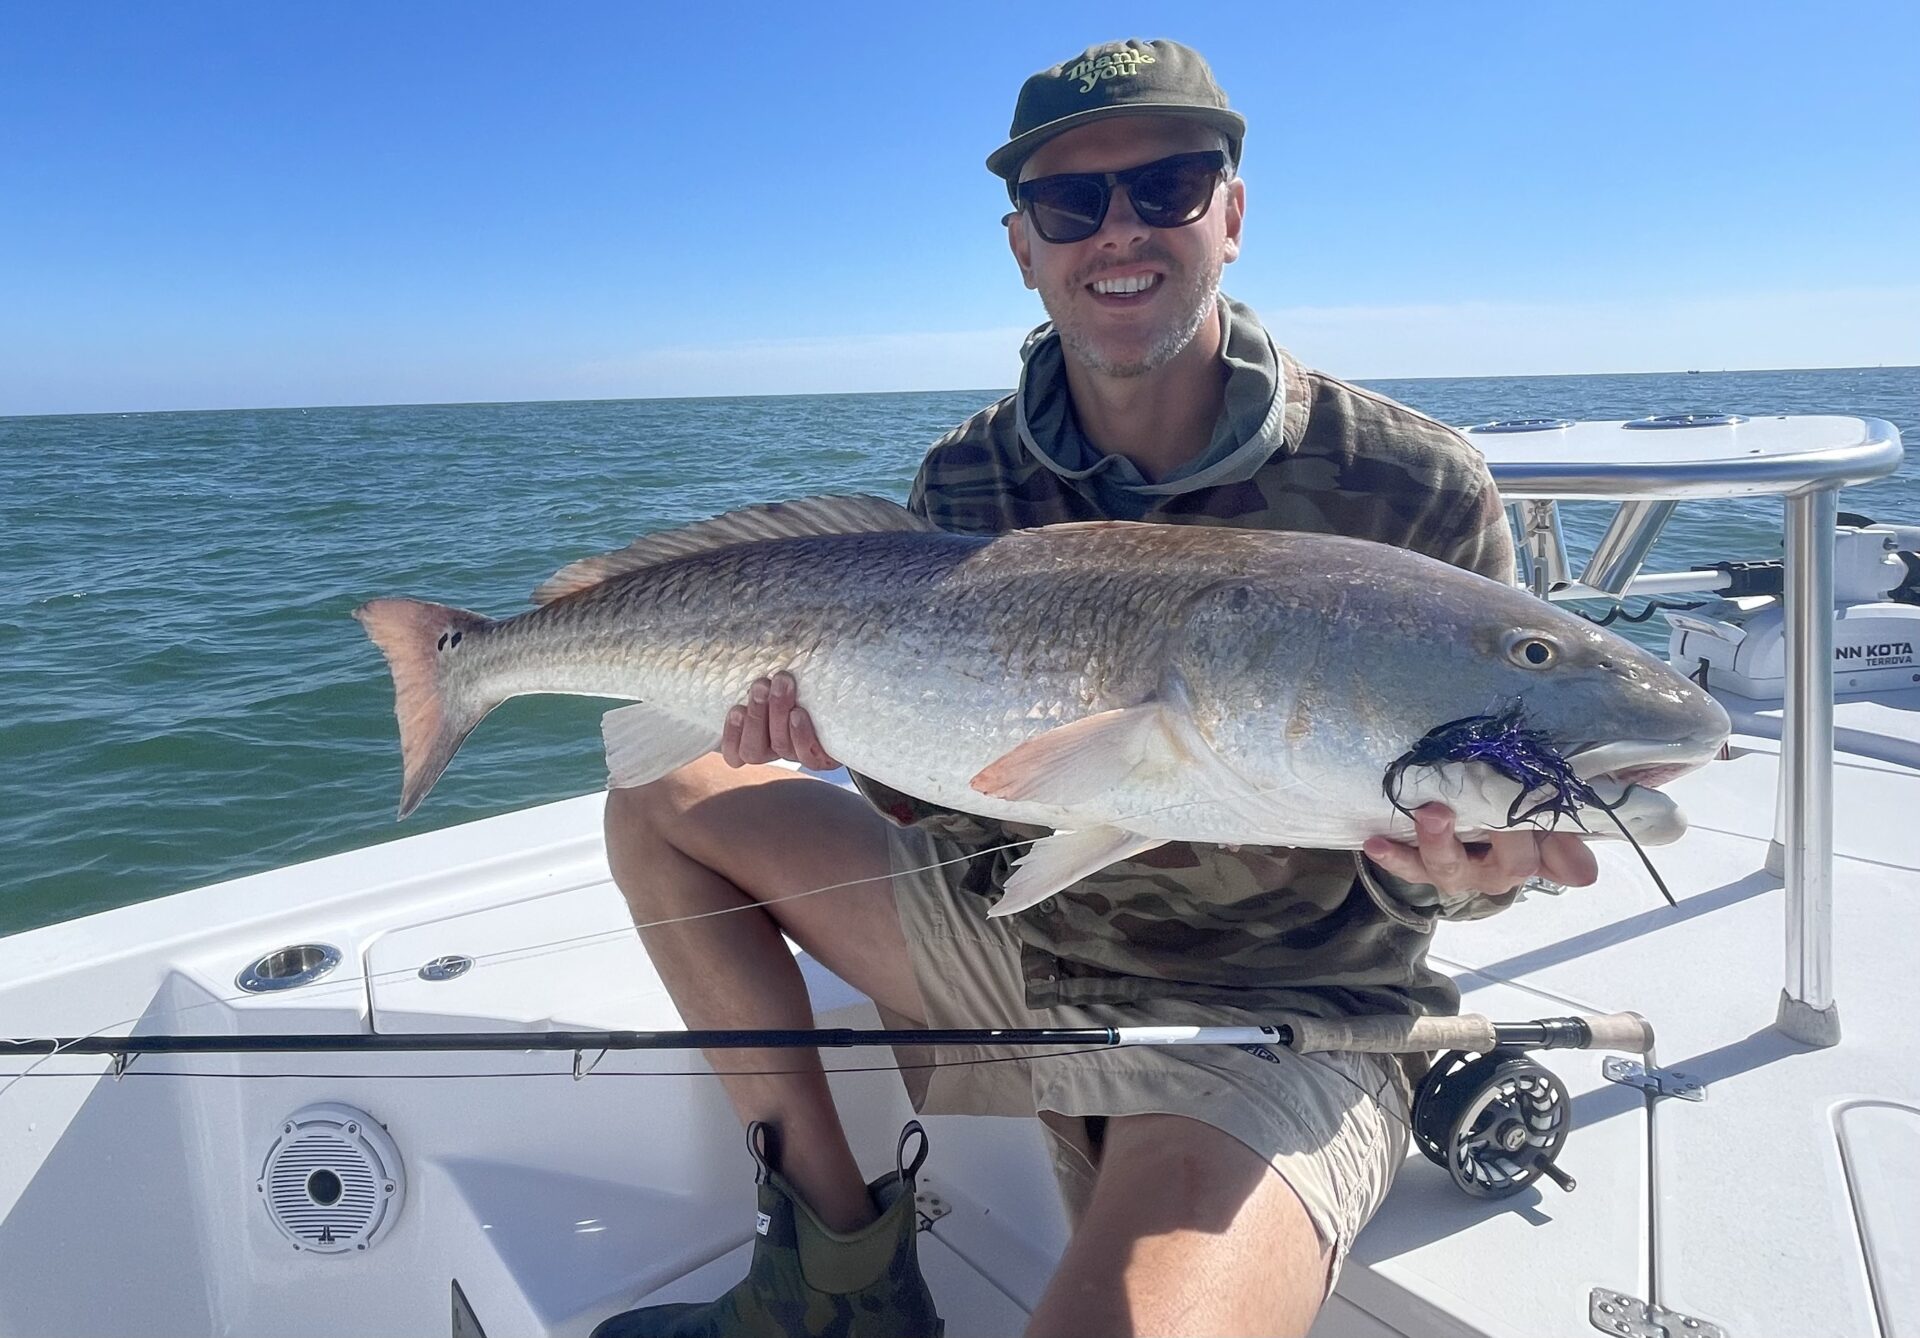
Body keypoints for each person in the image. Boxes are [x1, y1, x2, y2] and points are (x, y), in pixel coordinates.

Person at [592, 37, 1598, 1338]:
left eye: (1167, 185)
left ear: (1230, 214)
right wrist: (846, 738)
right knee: (663, 785)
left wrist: (1468, 871)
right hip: (1023, 932)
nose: (1118, 229)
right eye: (1073, 203)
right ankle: (841, 1276)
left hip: (1270, 1010)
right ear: (1025, 245)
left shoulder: (1415, 484)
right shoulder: (966, 479)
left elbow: (1466, 835)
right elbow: (947, 793)